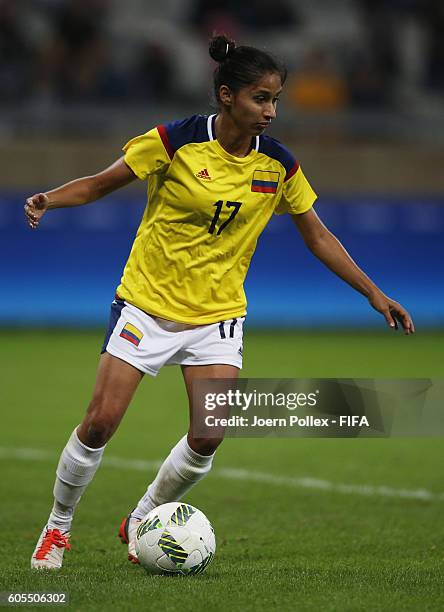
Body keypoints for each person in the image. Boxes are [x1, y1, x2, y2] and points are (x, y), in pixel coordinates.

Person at [25, 35, 414, 570]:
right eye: (261, 98)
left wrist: (374, 293)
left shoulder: (278, 165)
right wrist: (51, 198)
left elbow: (318, 235)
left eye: (276, 100)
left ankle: (143, 518)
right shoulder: (174, 140)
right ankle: (57, 528)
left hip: (218, 316)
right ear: (227, 96)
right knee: (99, 424)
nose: (271, 112)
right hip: (146, 304)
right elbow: (99, 185)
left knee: (209, 433)